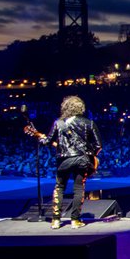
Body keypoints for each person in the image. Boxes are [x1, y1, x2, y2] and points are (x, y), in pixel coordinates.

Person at [35, 95, 101, 229]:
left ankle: (56, 220)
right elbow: (98, 145)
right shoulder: (89, 123)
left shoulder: (58, 123)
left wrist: (40, 138)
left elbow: (47, 141)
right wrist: (91, 155)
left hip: (63, 159)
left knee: (59, 187)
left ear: (65, 108)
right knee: (78, 188)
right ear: (81, 108)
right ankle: (75, 220)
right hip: (82, 159)